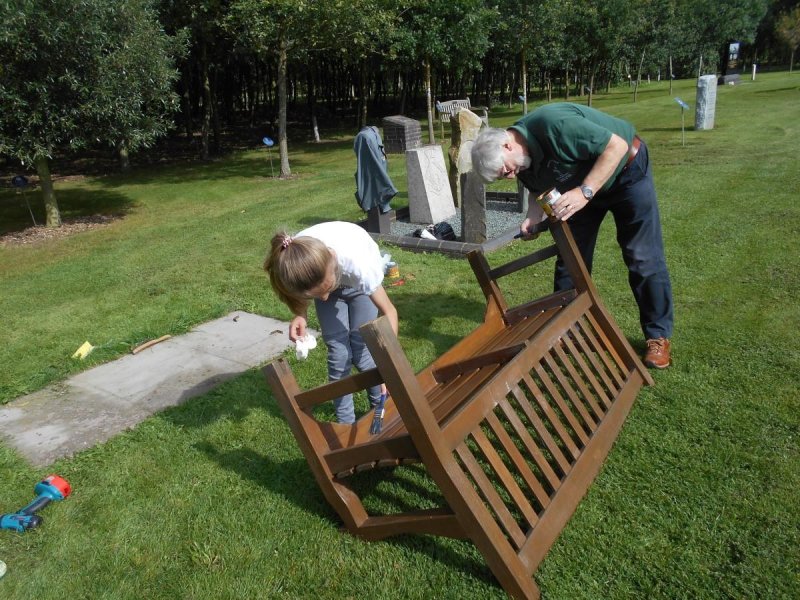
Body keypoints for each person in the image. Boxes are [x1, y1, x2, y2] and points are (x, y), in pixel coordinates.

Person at [471, 102, 673, 368]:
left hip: (626, 173)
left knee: (642, 256)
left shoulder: (554, 125)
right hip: (583, 190)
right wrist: (533, 216)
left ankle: (657, 337)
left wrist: (585, 192)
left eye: (506, 170)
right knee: (570, 260)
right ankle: (567, 329)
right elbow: (536, 187)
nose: (510, 177)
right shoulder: (523, 159)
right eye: (503, 175)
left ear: (507, 145)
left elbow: (617, 147)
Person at [264, 221, 399, 423]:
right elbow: (310, 291)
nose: (325, 299)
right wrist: (301, 314)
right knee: (338, 354)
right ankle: (345, 425)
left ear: (333, 259)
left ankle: (380, 408)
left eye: (326, 290)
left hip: (358, 287)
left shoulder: (360, 265)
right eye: (317, 295)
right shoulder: (294, 259)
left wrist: (388, 363)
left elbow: (389, 311)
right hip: (326, 275)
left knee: (364, 350)